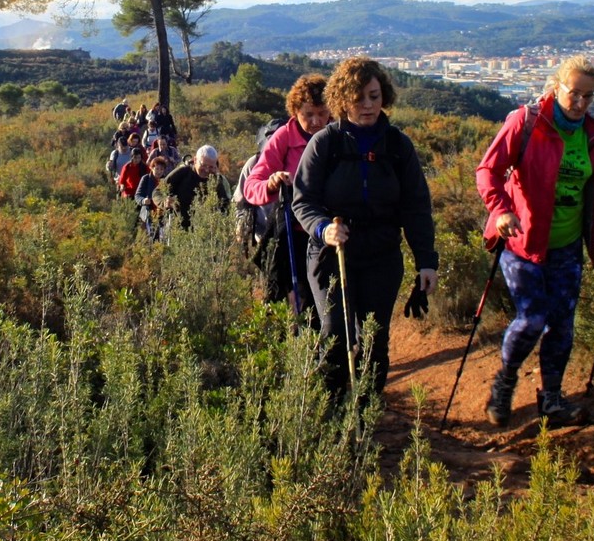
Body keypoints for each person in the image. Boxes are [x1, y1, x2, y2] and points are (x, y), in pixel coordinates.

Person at [475, 54, 594, 428]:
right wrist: (501, 210)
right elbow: (488, 171)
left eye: (589, 95)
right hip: (522, 243)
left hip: (567, 245)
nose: (581, 102)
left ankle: (551, 399)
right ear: (556, 87)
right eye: (574, 93)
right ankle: (505, 380)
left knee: (562, 325)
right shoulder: (526, 122)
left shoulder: (593, 135)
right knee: (532, 318)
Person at [292, 57, 437, 395]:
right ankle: (330, 411)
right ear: (342, 100)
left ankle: (365, 412)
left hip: (381, 255)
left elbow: (416, 206)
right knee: (335, 336)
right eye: (358, 98)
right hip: (332, 255)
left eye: (374, 96)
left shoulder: (398, 146)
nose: (368, 105)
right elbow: (303, 200)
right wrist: (323, 228)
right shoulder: (325, 143)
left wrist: (426, 261)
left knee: (374, 338)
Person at [242, 73, 330, 307]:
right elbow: (251, 186)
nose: (316, 121)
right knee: (299, 305)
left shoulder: (337, 134)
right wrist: (271, 184)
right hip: (296, 234)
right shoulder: (284, 137)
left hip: (332, 233)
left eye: (322, 113)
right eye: (308, 114)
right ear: (295, 111)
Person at [163, 144, 230, 231]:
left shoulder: (215, 180)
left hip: (204, 230)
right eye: (203, 165)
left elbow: (224, 204)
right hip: (178, 228)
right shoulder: (183, 172)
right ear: (195, 160)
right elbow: (159, 190)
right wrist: (164, 201)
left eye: (211, 167)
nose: (206, 170)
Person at [136, 153, 172, 240]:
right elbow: (138, 195)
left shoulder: (166, 181)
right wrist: (143, 200)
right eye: (157, 168)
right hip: (148, 213)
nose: (159, 171)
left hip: (162, 214)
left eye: (161, 169)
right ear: (151, 168)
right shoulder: (146, 179)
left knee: (162, 238)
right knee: (148, 238)